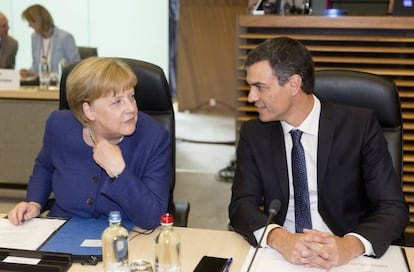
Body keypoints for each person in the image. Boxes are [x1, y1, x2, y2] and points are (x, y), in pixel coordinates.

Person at [228, 37, 409, 269]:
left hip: (348, 257)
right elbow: (241, 206)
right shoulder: (254, 133)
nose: (251, 97)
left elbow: (393, 208)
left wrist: (350, 245)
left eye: (260, 87)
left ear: (294, 84)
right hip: (281, 256)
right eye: (250, 87)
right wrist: (279, 238)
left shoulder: (359, 126)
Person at [8, 57, 171, 230]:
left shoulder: (154, 137)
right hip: (64, 230)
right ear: (88, 110)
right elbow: (45, 166)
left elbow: (153, 217)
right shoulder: (60, 126)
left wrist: (119, 171)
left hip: (124, 234)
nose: (131, 108)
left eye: (131, 96)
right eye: (117, 102)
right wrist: (34, 203)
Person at [19, 4, 80, 78]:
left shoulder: (65, 37)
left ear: (39, 21)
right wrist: (28, 72)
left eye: (30, 22)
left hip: (60, 83)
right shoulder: (34, 37)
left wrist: (54, 74)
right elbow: (35, 67)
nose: (29, 25)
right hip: (41, 83)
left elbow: (76, 67)